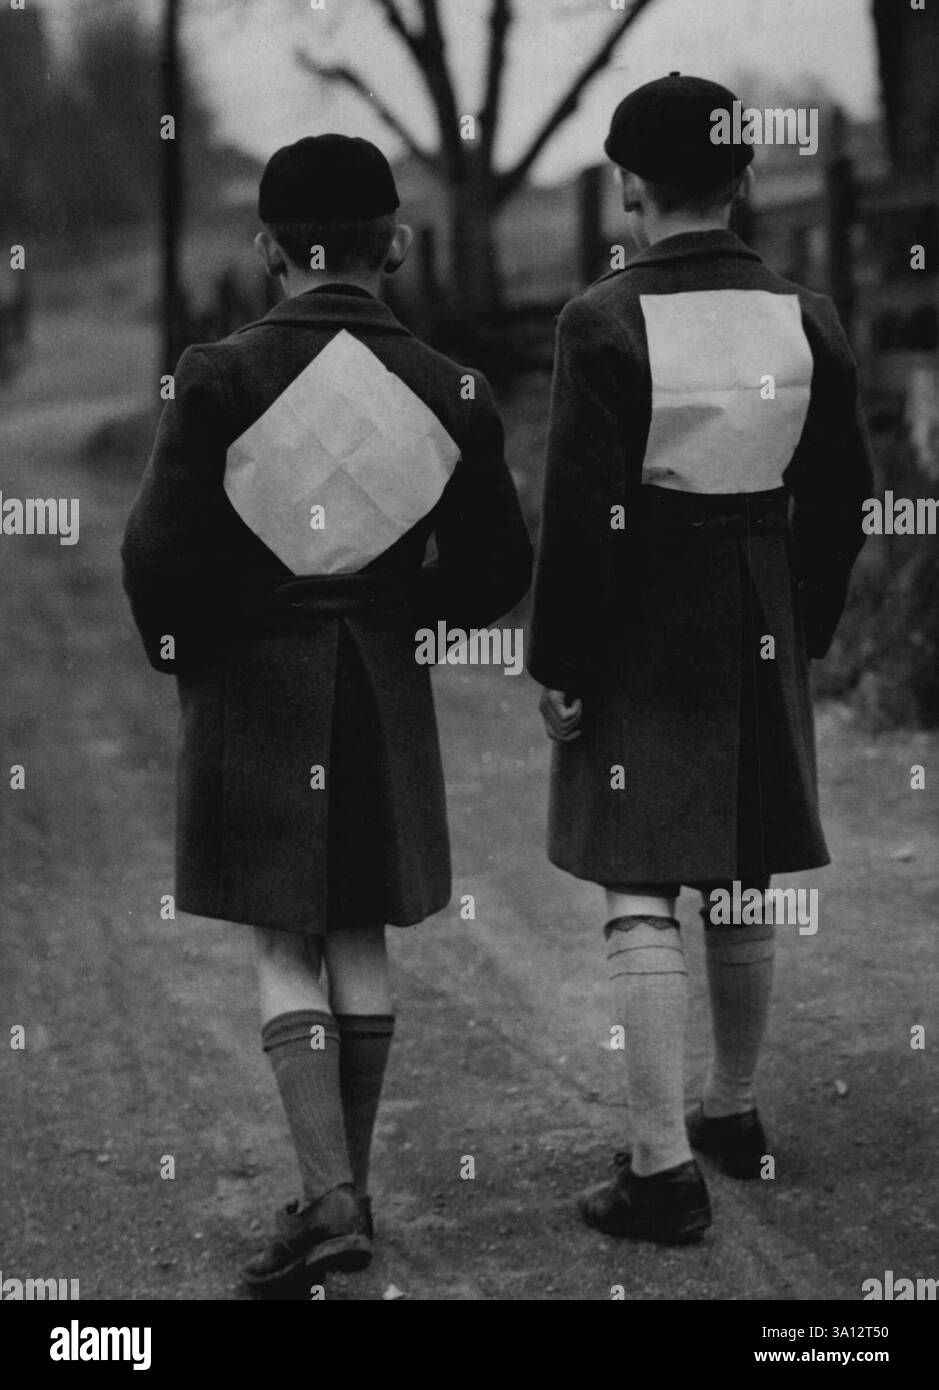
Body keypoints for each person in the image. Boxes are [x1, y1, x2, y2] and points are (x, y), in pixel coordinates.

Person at [122, 134, 532, 1293]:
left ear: (265, 251)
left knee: (281, 938)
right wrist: (408, 616)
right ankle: (337, 1190)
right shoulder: (452, 388)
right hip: (378, 681)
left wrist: (190, 649)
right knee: (356, 929)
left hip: (256, 680)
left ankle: (330, 1197)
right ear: (396, 245)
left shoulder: (217, 375)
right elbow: (501, 563)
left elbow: (157, 554)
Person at [528, 74, 872, 1244]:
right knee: (739, 861)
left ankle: (661, 1166)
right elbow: (843, 499)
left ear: (629, 184)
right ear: (745, 179)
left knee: (640, 878)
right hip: (760, 599)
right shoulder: (809, 314)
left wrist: (562, 658)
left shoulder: (601, 320)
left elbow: (581, 513)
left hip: (639, 610)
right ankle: (732, 1106)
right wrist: (805, 627)